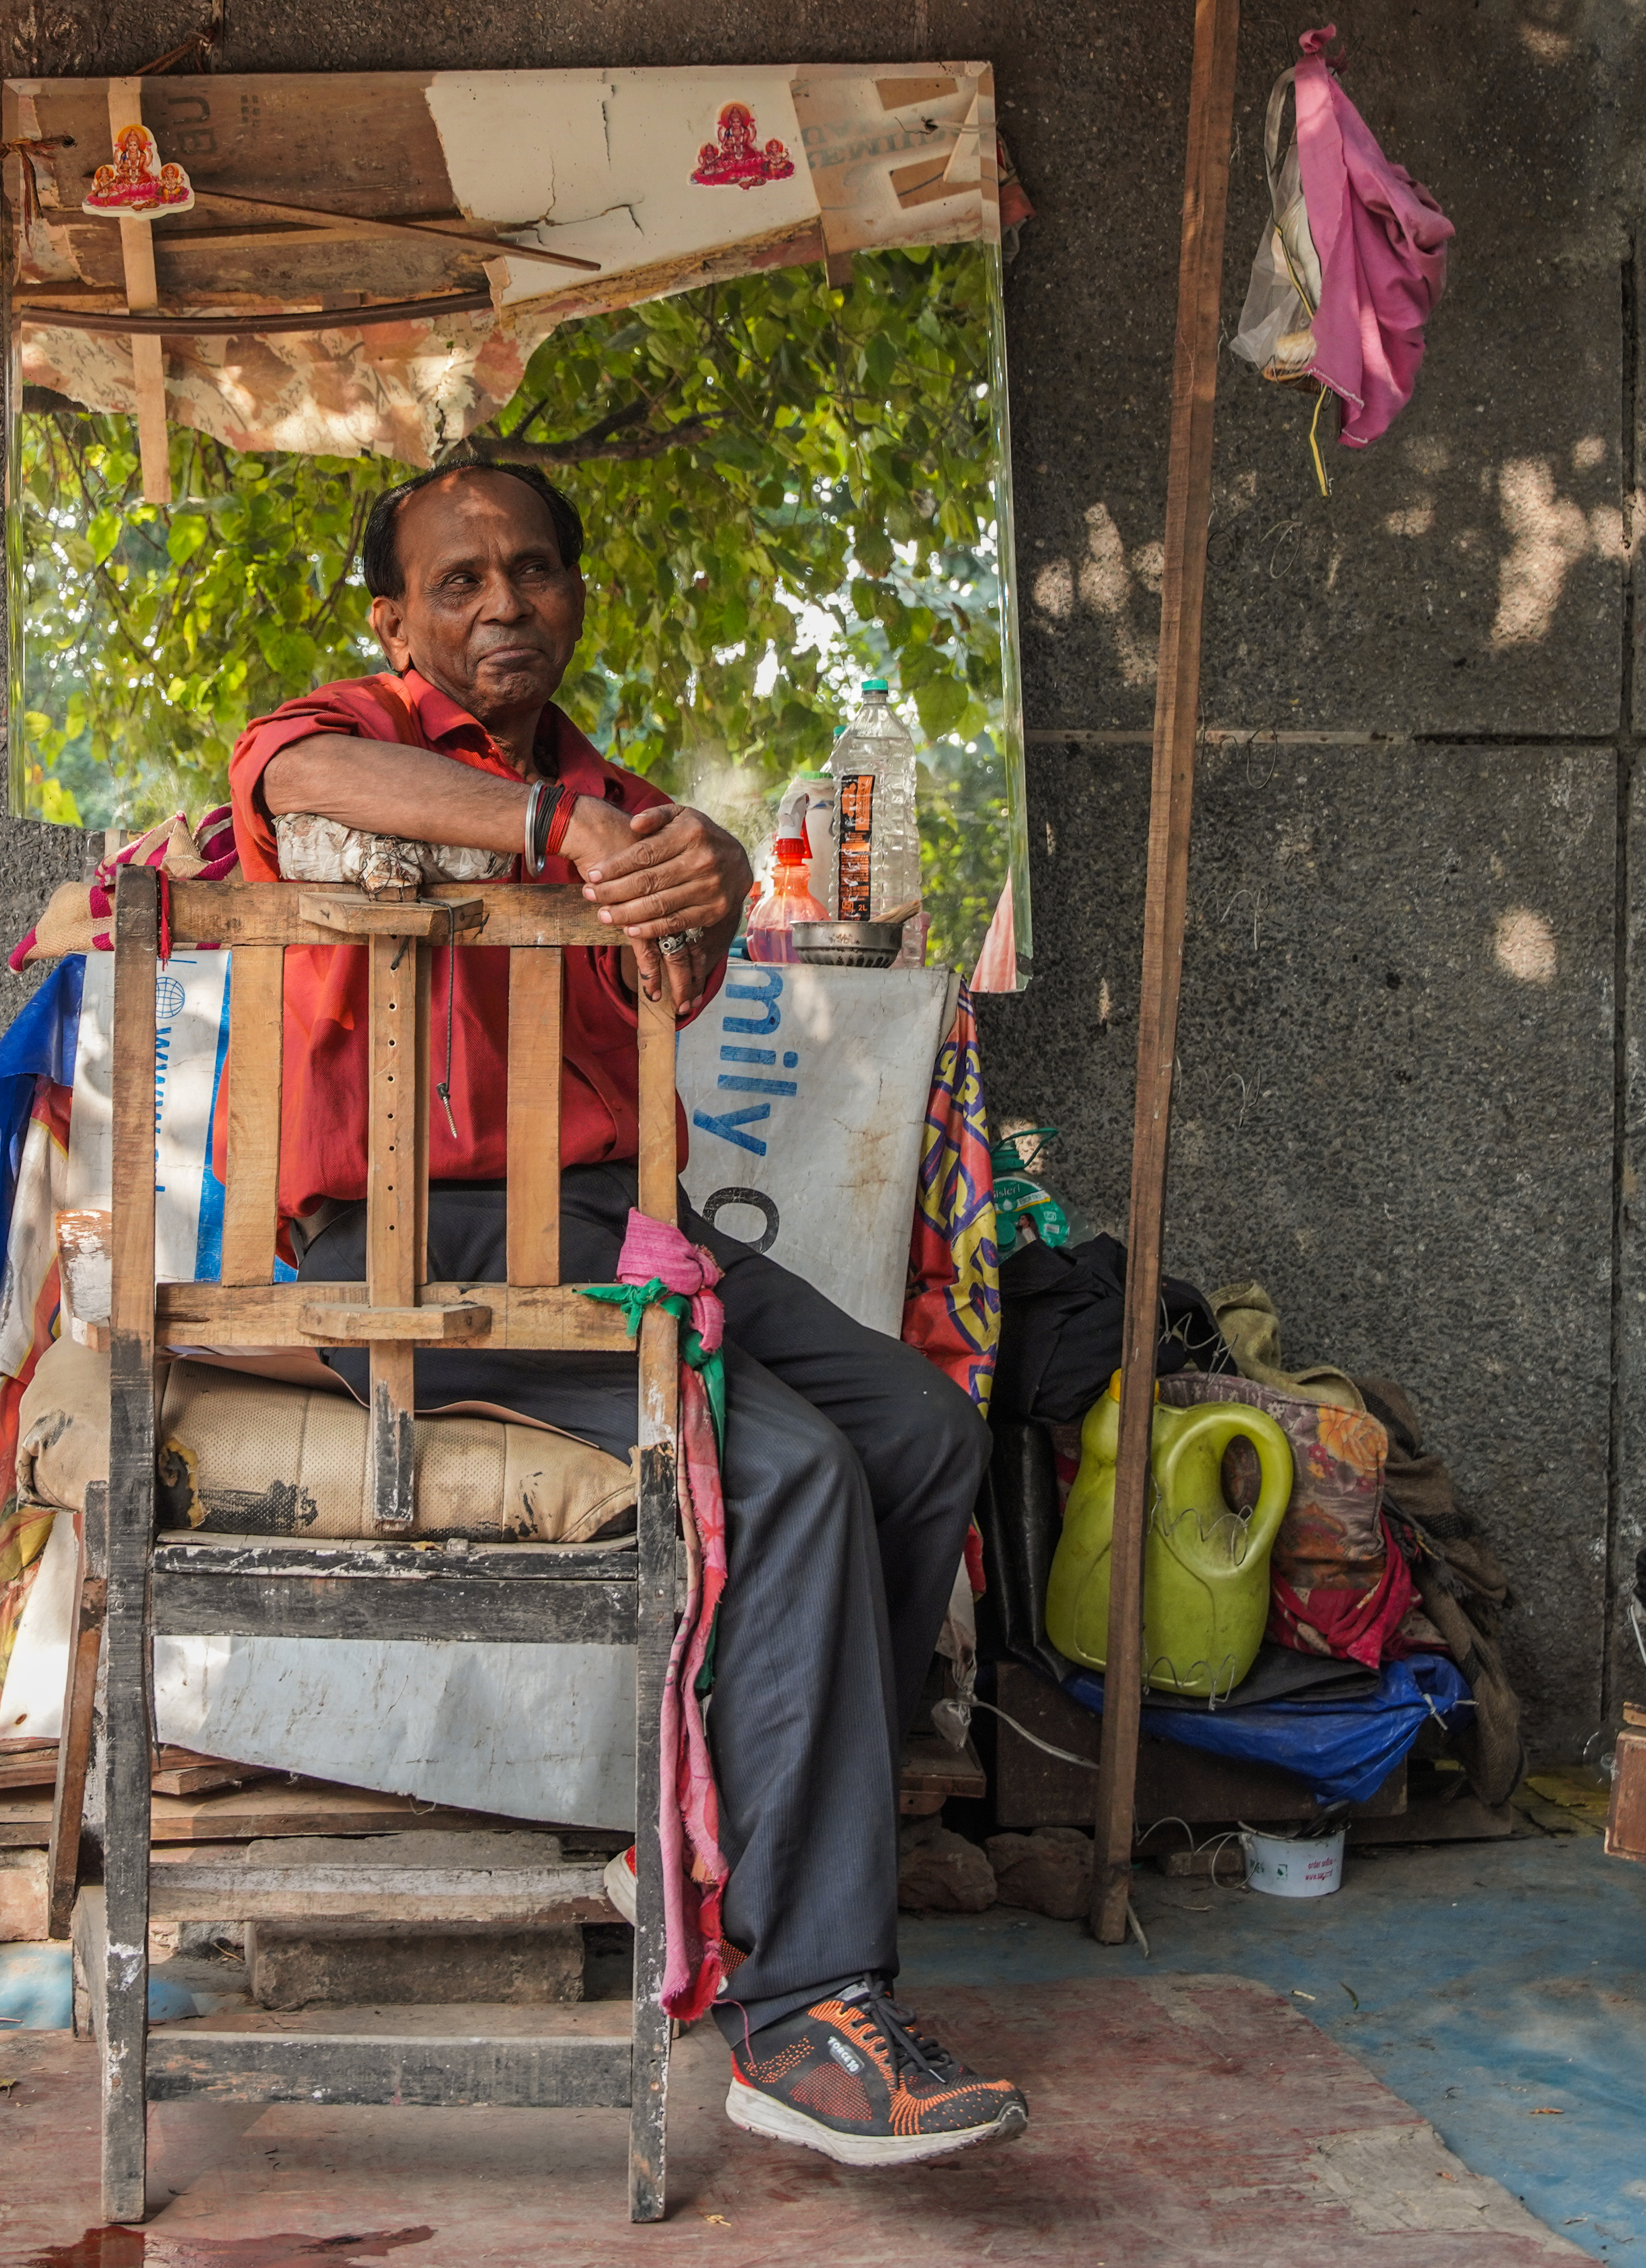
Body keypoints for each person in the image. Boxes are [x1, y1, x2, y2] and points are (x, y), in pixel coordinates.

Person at [228, 460, 1028, 2169]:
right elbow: (297, 777)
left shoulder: (622, 790)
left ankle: (727, 1848)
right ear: (393, 617)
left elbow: (685, 937)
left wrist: (709, 878)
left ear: (574, 594)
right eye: (455, 582)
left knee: (915, 1427)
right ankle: (801, 2011)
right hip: (396, 1252)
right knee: (792, 1467)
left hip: (599, 1231)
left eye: (531, 572)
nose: (499, 604)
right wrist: (551, 833)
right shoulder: (339, 735)